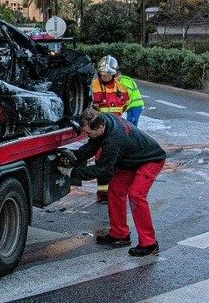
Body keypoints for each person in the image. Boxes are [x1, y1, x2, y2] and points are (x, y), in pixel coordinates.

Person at [57, 108, 166, 257]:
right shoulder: (102, 120)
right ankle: (119, 234)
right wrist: (75, 156)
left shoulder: (114, 139)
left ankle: (149, 243)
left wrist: (72, 173)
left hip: (150, 159)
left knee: (136, 194)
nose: (87, 136)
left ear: (100, 127)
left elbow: (102, 170)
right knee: (115, 190)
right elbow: (92, 146)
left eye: (89, 133)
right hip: (131, 160)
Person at [91, 55, 129, 202]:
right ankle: (103, 193)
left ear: (114, 73)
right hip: (100, 131)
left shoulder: (121, 87)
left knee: (117, 161)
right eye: (102, 73)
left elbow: (125, 104)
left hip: (117, 130)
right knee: (102, 161)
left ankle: (115, 191)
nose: (105, 76)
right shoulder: (94, 86)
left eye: (107, 73)